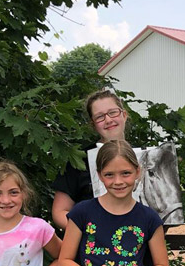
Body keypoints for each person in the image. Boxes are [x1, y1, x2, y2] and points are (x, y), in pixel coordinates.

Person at [52, 90, 128, 230]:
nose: (108, 120)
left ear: (124, 115)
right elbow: (60, 211)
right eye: (100, 117)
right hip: (91, 240)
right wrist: (89, 232)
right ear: (93, 124)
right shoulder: (79, 161)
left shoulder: (146, 157)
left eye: (113, 113)